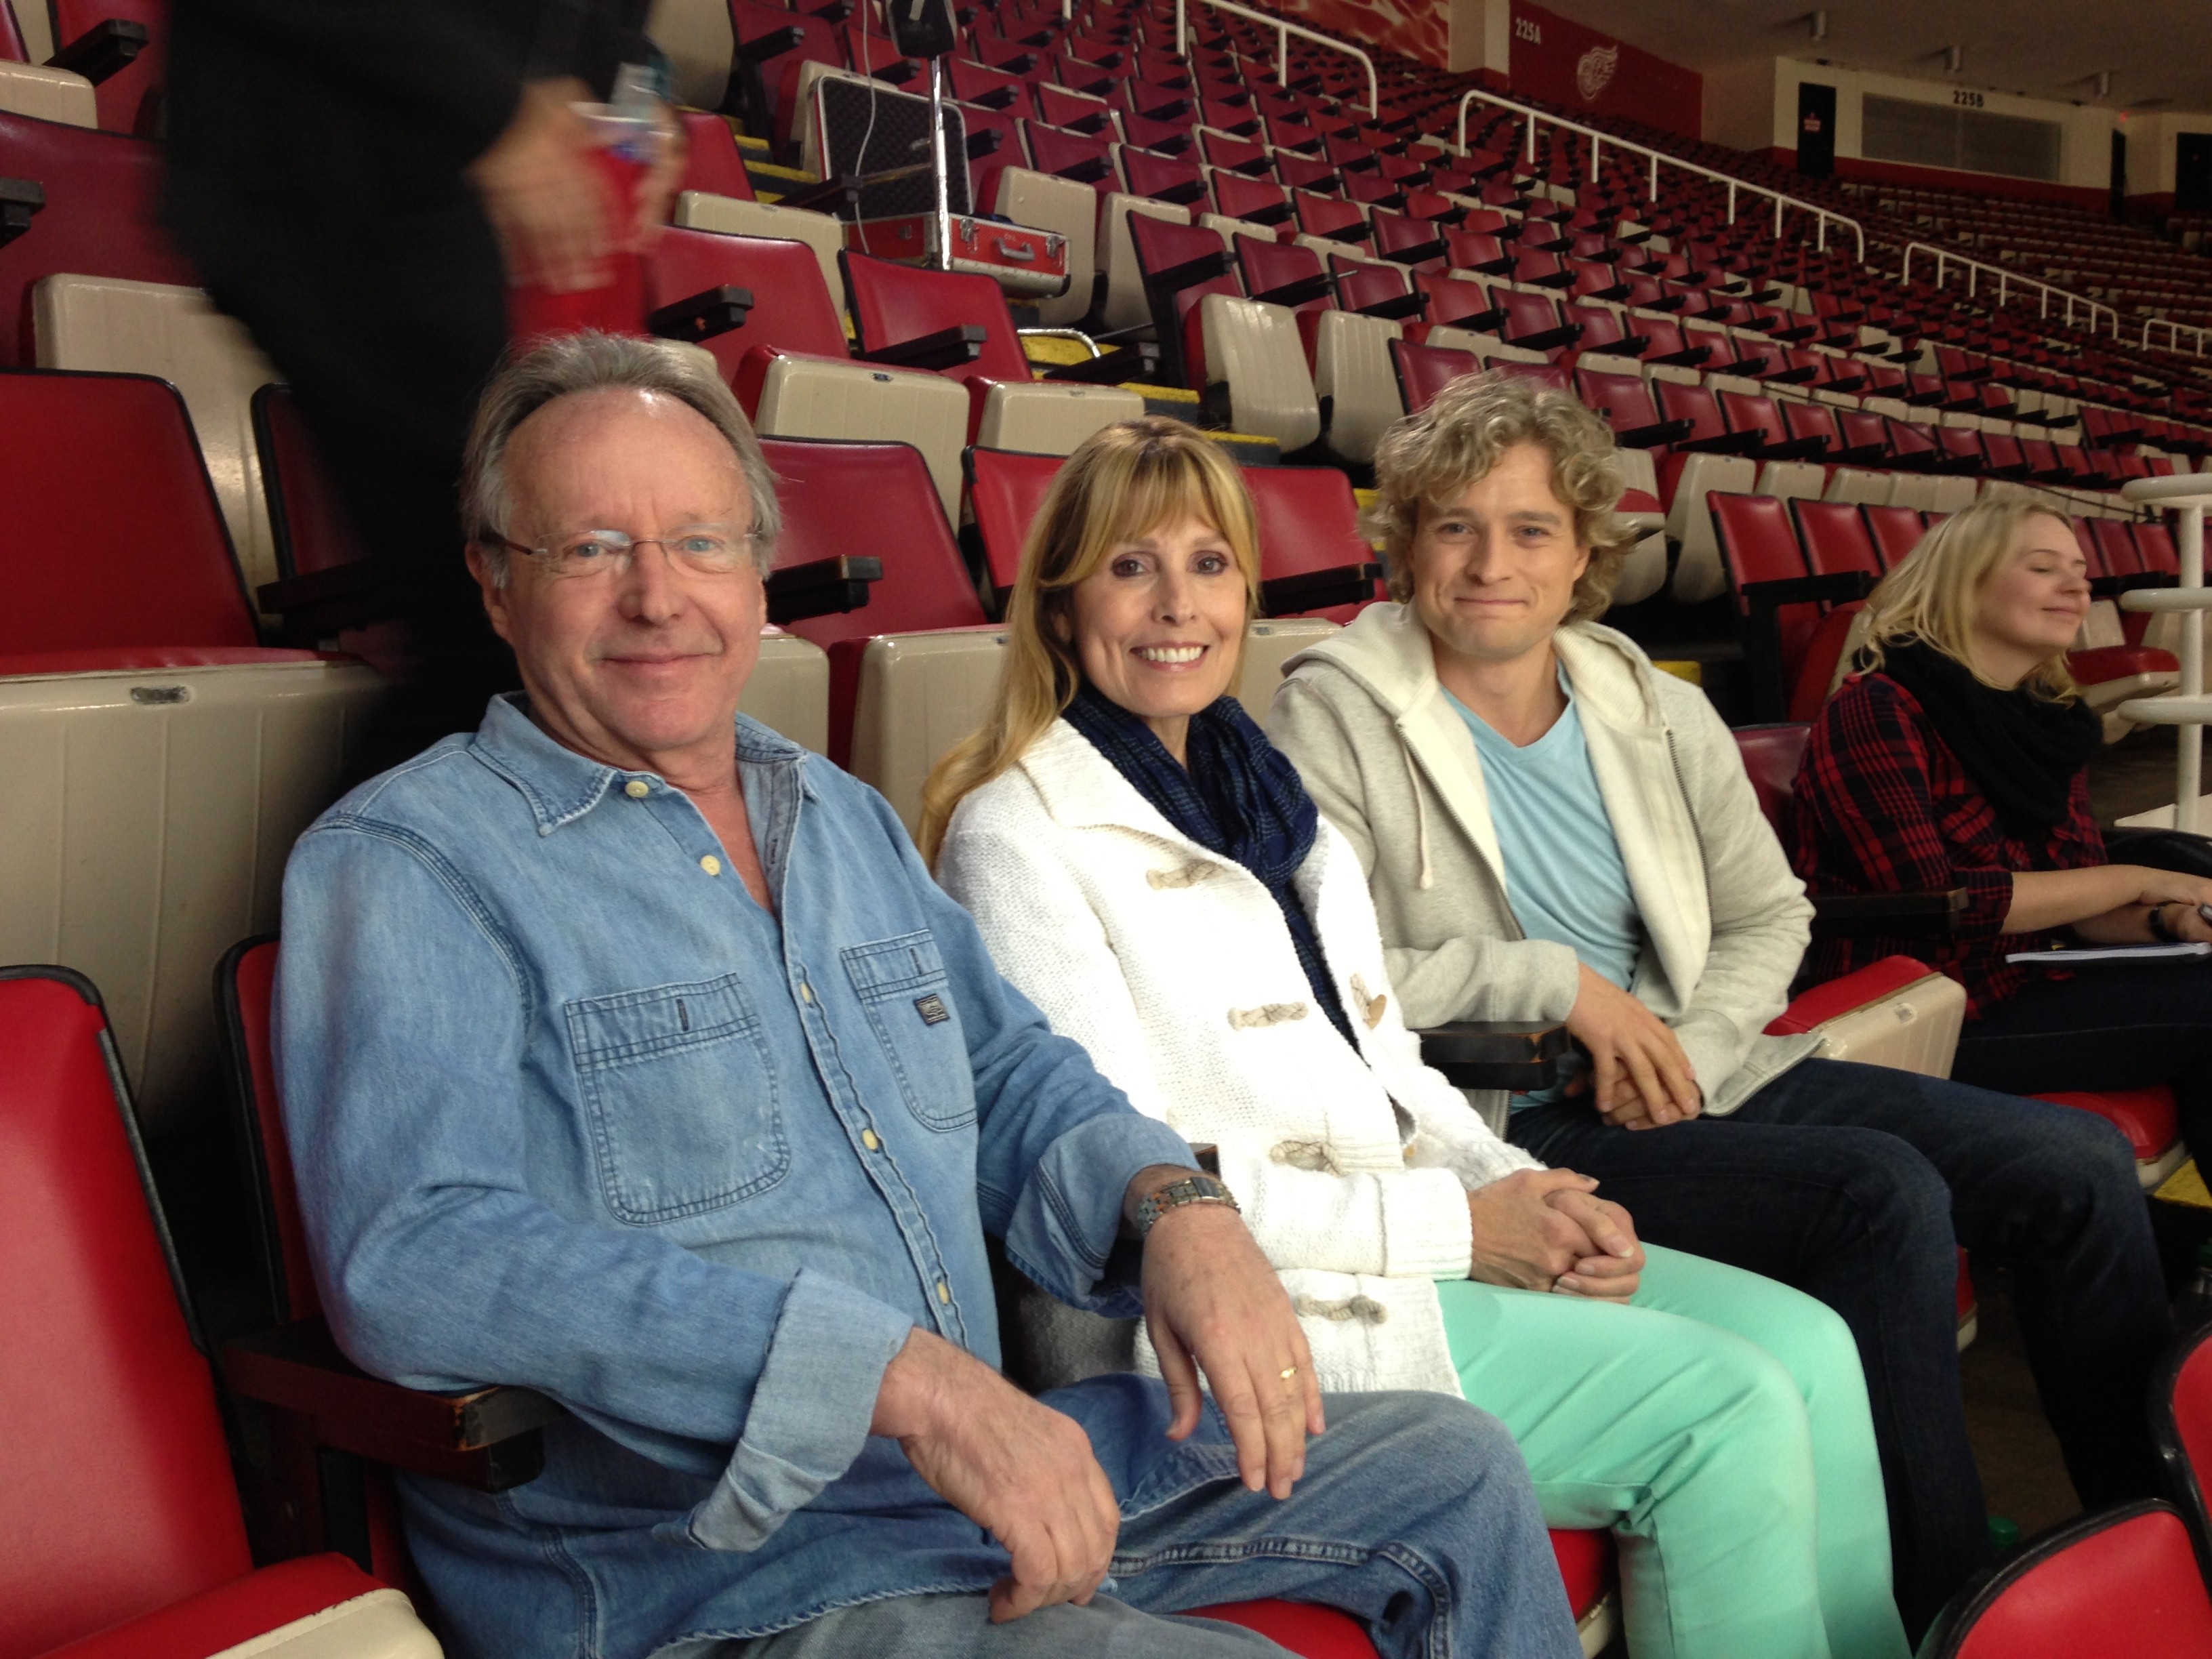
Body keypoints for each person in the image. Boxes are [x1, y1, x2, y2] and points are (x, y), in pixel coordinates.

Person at [273, 335, 1578, 1659]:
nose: (658, 596)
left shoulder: (835, 815)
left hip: (974, 1480)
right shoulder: (408, 865)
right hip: (721, 1569)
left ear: (760, 570)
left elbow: (1011, 1075)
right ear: (498, 585)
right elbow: (418, 1259)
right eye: (594, 548)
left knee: (1458, 1463)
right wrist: (895, 1379)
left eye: (703, 544)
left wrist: (1176, 1206)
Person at [923, 416, 1909, 1659]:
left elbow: (1390, 1072)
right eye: (1129, 567)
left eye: (1208, 564)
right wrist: (1460, 1229)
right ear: (1060, 608)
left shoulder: (1274, 808)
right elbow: (1127, 1178)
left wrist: (1526, 1189)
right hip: (1245, 1321)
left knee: (1811, 1346)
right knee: (1726, 1410)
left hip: (1402, 1252)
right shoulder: (1015, 833)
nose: (1177, 603)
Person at [1263, 371, 2173, 1637]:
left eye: (1528, 529)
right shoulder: (1328, 711)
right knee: (1876, 1193)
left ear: (1583, 551)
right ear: (1404, 543)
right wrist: (1562, 986)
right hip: (1508, 1108)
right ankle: (1944, 1594)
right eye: (1451, 525)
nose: (1487, 563)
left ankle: (2153, 1526)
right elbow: (1325, 971)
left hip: (1697, 1069)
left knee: (2068, 1163)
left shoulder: (1649, 701)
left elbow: (1770, 915)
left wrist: (1684, 1045)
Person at [163, 0, 682, 770]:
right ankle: (367, 881)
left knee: (513, 636)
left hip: (460, 216)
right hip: (339, 192)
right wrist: (494, 104)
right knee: (503, 633)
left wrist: (642, 100)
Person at [1793, 495, 2212, 1162]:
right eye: (2044, 568)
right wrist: (2138, 879)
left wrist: (2171, 923)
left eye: (2079, 569)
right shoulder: (1877, 707)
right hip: (1923, 1016)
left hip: (2025, 983)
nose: (2078, 586)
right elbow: (1942, 901)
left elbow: (2077, 911)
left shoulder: (2048, 720)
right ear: (1964, 583)